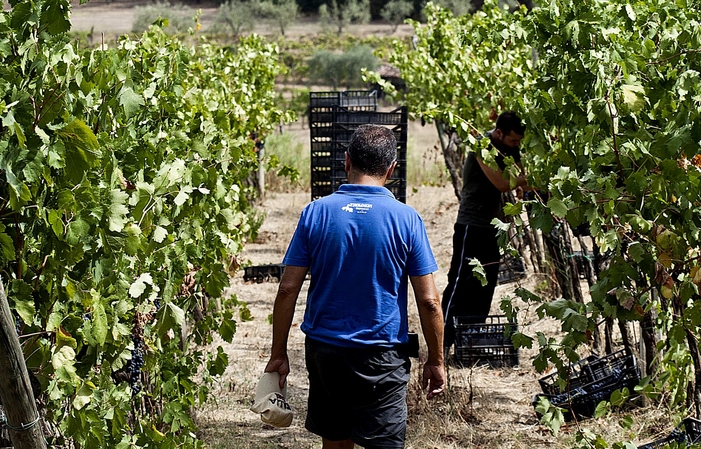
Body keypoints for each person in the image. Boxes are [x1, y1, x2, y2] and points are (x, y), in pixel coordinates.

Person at [263, 124, 445, 449]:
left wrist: (279, 353)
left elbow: (287, 289)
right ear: (391, 168)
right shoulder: (407, 219)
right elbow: (429, 301)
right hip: (382, 355)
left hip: (325, 351)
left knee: (335, 441)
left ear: (346, 161)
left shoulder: (315, 213)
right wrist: (436, 360)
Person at [441, 111, 532, 357]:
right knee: (461, 284)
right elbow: (503, 183)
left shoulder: (510, 148)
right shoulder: (482, 146)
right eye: (513, 141)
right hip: (472, 224)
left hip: (494, 226)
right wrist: (533, 180)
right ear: (499, 133)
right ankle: (443, 342)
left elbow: (520, 179)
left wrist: (526, 184)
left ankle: (468, 344)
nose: (516, 146)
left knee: (485, 286)